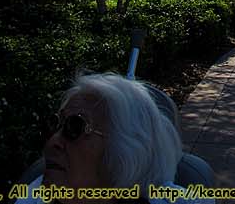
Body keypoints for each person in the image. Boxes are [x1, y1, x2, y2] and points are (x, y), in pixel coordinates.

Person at [16, 74, 209, 204]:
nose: (52, 143)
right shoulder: (33, 196)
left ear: (128, 152)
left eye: (75, 127)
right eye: (54, 125)